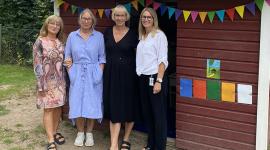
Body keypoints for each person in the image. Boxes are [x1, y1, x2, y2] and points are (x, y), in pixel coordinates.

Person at [64, 9, 105, 147]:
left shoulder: (98, 36)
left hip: (94, 73)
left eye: (89, 19)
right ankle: (80, 133)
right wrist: (71, 72)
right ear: (80, 20)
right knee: (77, 102)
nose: (86, 21)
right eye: (84, 18)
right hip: (76, 72)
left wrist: (99, 73)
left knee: (92, 103)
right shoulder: (72, 36)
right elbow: (67, 56)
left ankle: (89, 133)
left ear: (93, 21)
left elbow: (102, 58)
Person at [103, 5, 139, 150]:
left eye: (122, 15)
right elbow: (100, 53)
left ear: (126, 17)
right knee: (114, 107)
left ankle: (126, 139)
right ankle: (113, 144)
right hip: (110, 75)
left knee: (129, 106)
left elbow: (140, 56)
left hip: (128, 76)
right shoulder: (106, 32)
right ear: (113, 16)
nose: (119, 18)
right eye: (116, 15)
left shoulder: (132, 35)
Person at [136, 8, 168, 150]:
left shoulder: (159, 35)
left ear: (154, 19)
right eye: (144, 17)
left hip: (155, 78)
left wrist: (159, 81)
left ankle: (159, 147)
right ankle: (151, 145)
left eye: (149, 17)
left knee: (158, 115)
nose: (146, 19)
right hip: (143, 78)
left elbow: (162, 60)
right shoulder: (143, 36)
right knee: (148, 114)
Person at [33, 15, 66, 150]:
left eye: (57, 24)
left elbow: (63, 61)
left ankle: (54, 131)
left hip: (60, 81)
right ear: (47, 25)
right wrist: (41, 85)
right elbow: (37, 65)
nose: (54, 26)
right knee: (48, 108)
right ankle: (50, 139)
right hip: (46, 82)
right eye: (52, 23)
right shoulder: (40, 42)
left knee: (58, 107)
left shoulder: (61, 42)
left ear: (60, 27)